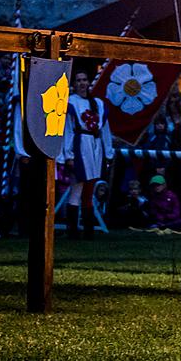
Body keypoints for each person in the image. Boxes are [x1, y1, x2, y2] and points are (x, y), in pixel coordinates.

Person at [61, 70, 114, 239]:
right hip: (80, 146)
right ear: (74, 83)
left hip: (95, 147)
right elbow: (67, 130)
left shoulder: (97, 103)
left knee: (89, 189)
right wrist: (68, 155)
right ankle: (72, 230)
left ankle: (89, 230)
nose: (82, 83)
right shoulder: (71, 102)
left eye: (84, 79)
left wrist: (108, 152)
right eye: (79, 80)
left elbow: (105, 130)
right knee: (77, 188)